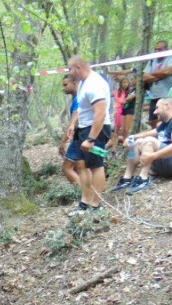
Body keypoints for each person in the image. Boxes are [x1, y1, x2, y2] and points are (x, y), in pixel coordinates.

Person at [111, 98, 172, 194]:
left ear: (167, 106)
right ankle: (127, 178)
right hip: (169, 162)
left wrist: (152, 156)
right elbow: (150, 133)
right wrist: (132, 137)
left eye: (157, 108)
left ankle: (143, 179)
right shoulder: (167, 123)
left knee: (149, 141)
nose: (155, 112)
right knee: (138, 142)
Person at [67, 55, 111, 215]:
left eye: (70, 68)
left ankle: (95, 205)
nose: (69, 72)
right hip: (84, 128)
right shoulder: (83, 83)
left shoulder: (95, 84)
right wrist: (74, 125)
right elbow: (82, 108)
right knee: (81, 165)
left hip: (96, 129)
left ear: (78, 67)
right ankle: (85, 203)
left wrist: (91, 139)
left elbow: (100, 114)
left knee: (96, 166)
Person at [143, 40, 172, 127]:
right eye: (155, 49)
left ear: (166, 49)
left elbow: (168, 71)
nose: (157, 51)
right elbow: (144, 76)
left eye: (160, 49)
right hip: (154, 96)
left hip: (168, 96)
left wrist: (152, 74)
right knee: (153, 121)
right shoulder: (152, 60)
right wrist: (161, 75)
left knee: (167, 120)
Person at [59, 75, 81, 185]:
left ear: (75, 83)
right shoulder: (77, 98)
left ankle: (82, 192)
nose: (63, 88)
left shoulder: (78, 99)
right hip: (82, 135)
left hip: (80, 135)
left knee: (67, 168)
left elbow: (74, 121)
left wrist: (63, 142)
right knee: (79, 167)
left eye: (65, 85)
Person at [110, 76, 136, 148]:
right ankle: (115, 145)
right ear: (120, 83)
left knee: (126, 129)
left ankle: (126, 144)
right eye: (123, 82)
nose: (125, 84)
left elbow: (126, 100)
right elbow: (109, 95)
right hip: (119, 111)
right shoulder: (116, 92)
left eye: (126, 82)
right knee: (118, 128)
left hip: (128, 109)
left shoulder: (131, 91)